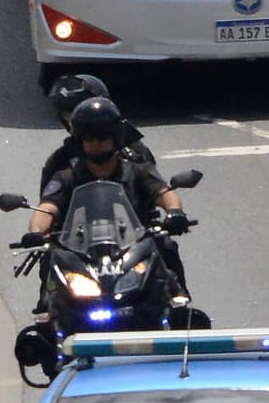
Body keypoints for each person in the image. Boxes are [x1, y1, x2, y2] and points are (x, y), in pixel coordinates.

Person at [29, 96, 192, 302]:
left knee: (166, 246)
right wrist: (36, 232)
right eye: (89, 137)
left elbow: (164, 192)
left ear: (116, 137)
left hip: (135, 247)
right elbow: (47, 207)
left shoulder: (137, 170)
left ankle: (180, 302)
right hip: (81, 251)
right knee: (51, 259)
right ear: (80, 141)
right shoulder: (66, 176)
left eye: (103, 136)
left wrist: (174, 212)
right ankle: (46, 311)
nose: (97, 143)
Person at [37, 73, 155, 190]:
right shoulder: (61, 158)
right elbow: (47, 200)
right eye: (68, 116)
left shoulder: (135, 152)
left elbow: (155, 189)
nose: (96, 143)